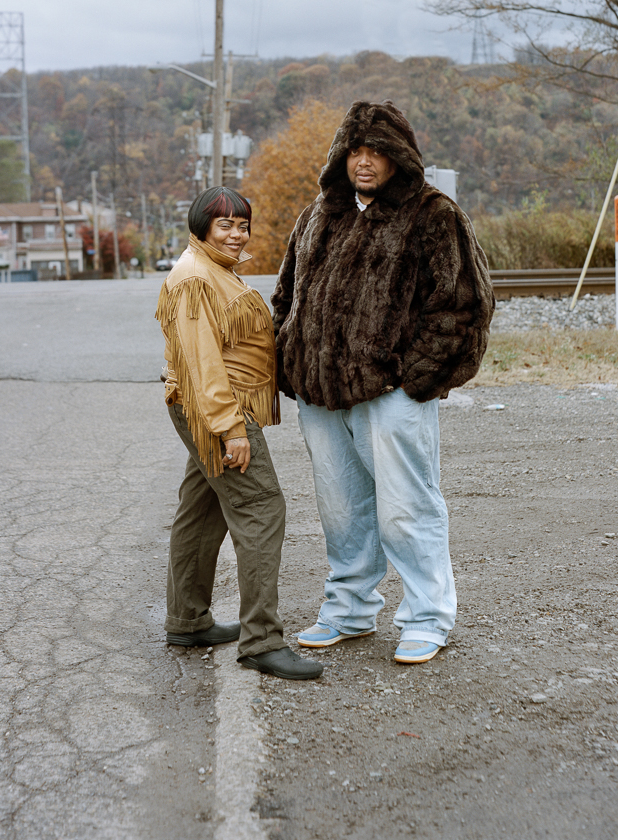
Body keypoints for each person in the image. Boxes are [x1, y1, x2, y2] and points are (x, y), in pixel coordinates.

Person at [272, 101, 494, 664]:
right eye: (355, 151)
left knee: (406, 507)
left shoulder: (433, 213)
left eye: (377, 151)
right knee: (341, 509)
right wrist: (289, 362)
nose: (365, 162)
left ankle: (426, 617)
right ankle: (348, 610)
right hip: (320, 395)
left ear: (400, 157)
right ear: (341, 156)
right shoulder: (316, 215)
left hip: (392, 393)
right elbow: (286, 297)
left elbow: (464, 304)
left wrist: (413, 379)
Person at [156, 186, 322, 680]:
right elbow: (202, 362)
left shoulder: (214, 271)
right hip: (216, 408)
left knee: (203, 509)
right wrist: (231, 428)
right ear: (200, 225)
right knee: (260, 507)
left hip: (214, 405)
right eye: (224, 224)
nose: (236, 233)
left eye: (243, 224)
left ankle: (188, 620)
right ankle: (261, 642)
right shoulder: (193, 278)